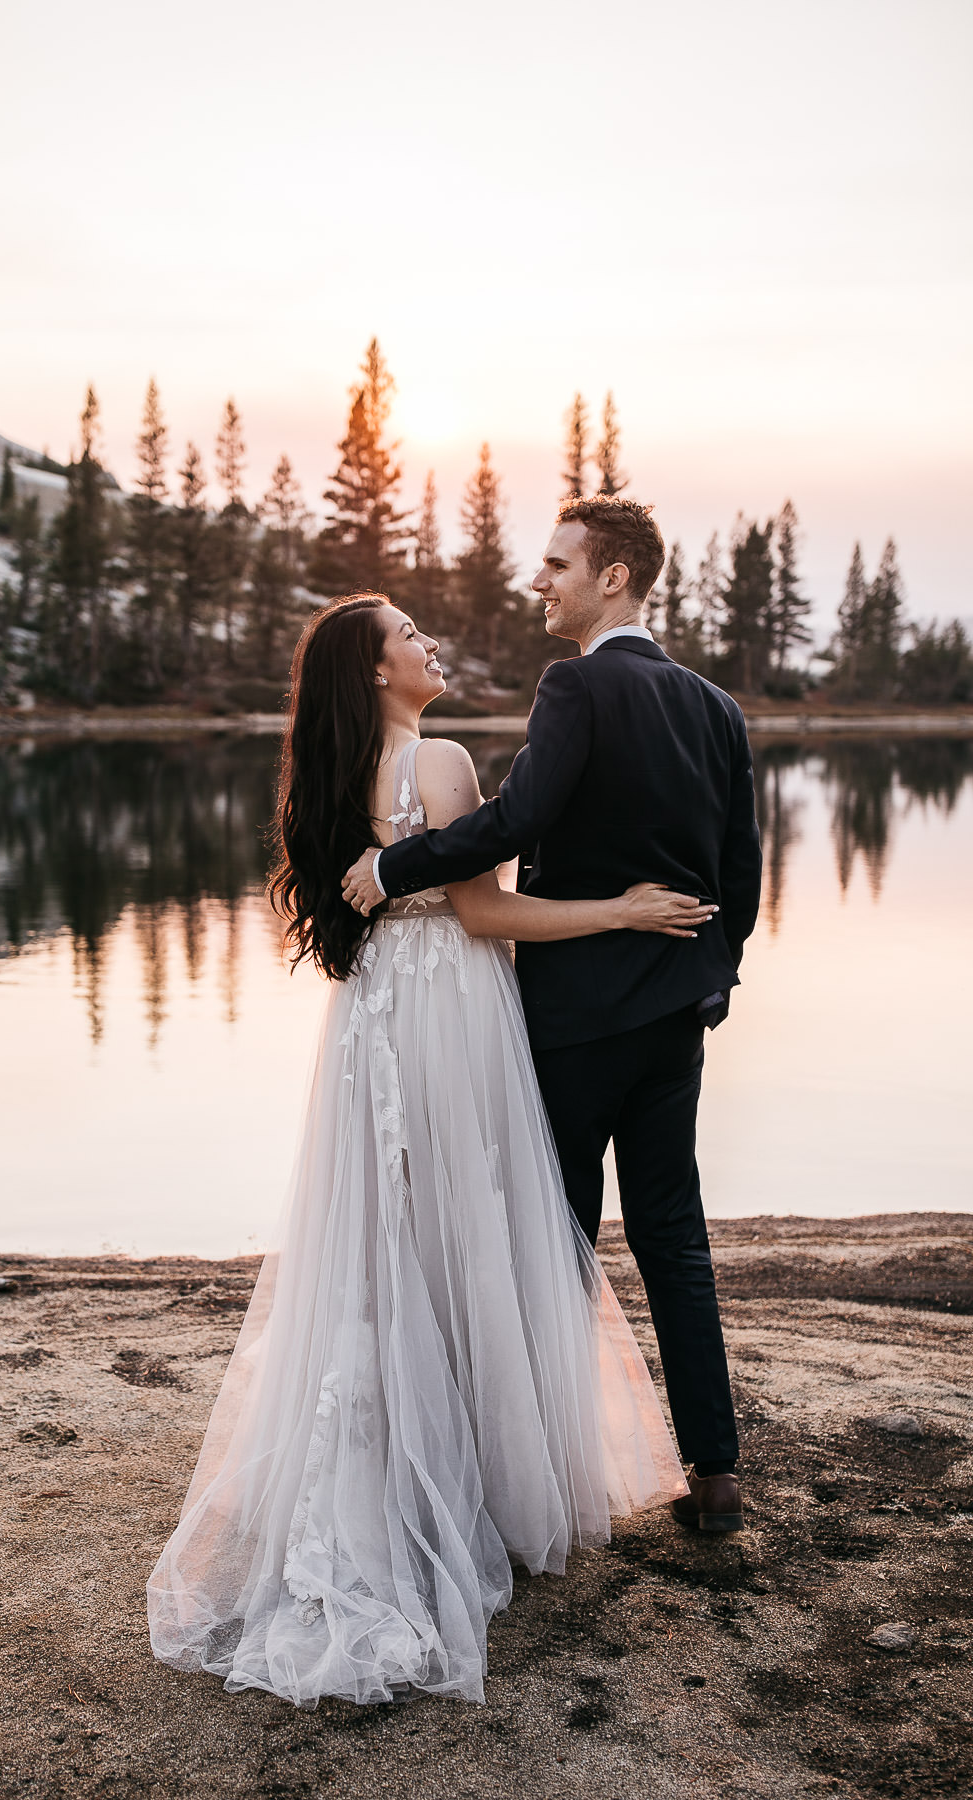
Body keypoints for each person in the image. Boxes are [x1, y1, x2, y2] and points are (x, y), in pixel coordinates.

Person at [147, 591, 707, 1708]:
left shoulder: (329, 780)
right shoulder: (438, 762)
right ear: (373, 671)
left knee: (381, 1244)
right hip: (450, 1012)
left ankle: (395, 1468)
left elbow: (387, 904)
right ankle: (470, 1488)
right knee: (466, 1233)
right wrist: (626, 911)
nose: (430, 643)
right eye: (410, 634)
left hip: (372, 1021)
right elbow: (489, 918)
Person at [343, 495, 763, 1538]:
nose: (543, 581)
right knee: (674, 1234)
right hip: (671, 1015)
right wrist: (708, 976)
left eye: (558, 565)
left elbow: (518, 819)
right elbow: (741, 880)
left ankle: (539, 1472)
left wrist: (393, 865)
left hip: (572, 1017)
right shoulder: (717, 708)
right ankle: (714, 1474)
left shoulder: (577, 684)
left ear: (612, 577)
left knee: (554, 1238)